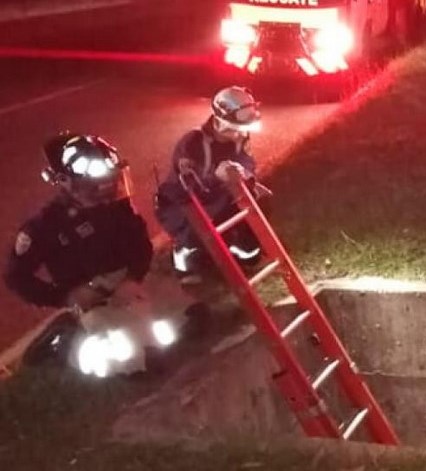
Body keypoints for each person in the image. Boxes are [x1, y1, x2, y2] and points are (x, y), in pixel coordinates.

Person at [4, 133, 191, 377]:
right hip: (91, 299)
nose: (106, 192)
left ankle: (137, 334)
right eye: (95, 187)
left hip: (128, 283)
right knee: (132, 364)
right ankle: (66, 344)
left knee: (190, 319)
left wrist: (132, 277)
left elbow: (140, 245)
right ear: (66, 182)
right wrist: (68, 296)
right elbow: (16, 276)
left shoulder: (117, 207)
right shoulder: (45, 226)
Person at [154, 86, 267, 283]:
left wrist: (244, 174)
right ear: (222, 121)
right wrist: (217, 176)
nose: (243, 133)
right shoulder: (193, 143)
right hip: (183, 202)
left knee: (262, 199)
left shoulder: (239, 136)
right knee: (201, 248)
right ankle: (185, 256)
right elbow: (191, 183)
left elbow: (247, 160)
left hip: (218, 194)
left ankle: (244, 250)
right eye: (238, 128)